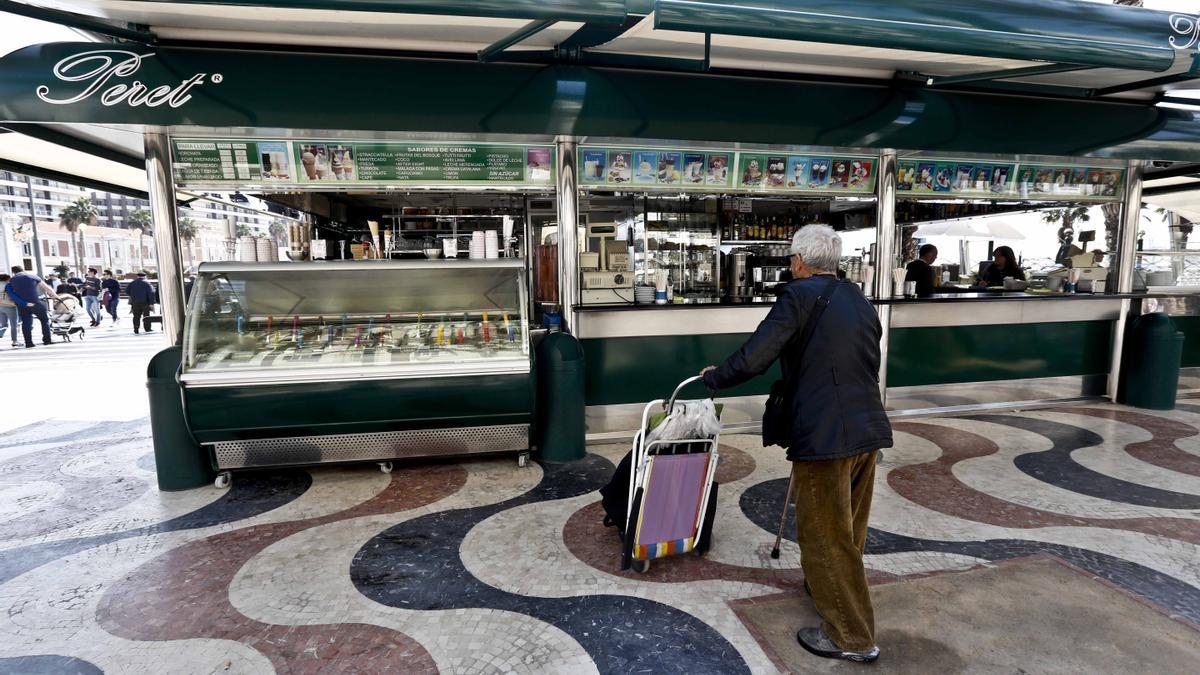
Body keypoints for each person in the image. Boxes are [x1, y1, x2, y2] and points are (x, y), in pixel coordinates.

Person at [699, 225, 892, 663]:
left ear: (800, 261)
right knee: (848, 530)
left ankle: (851, 636)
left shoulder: (797, 296)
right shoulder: (857, 298)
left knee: (825, 534)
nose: (790, 265)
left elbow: (756, 356)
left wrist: (715, 377)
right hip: (867, 428)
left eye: (791, 259)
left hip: (826, 435)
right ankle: (828, 589)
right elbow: (868, 355)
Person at [6, 265, 58, 348]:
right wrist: (56, 297)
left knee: (26, 323)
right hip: (35, 303)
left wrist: (23, 302)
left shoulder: (12, 280)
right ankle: (47, 340)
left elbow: (11, 294)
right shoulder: (33, 276)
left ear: (13, 272)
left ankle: (29, 343)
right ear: (23, 270)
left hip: (22, 305)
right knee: (44, 320)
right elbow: (47, 288)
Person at [0, 274, 19, 348]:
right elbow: (13, 295)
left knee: (4, 325)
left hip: (0, 307)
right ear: (7, 279)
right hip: (9, 306)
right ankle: (15, 341)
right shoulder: (8, 285)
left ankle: (1, 333)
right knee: (14, 325)